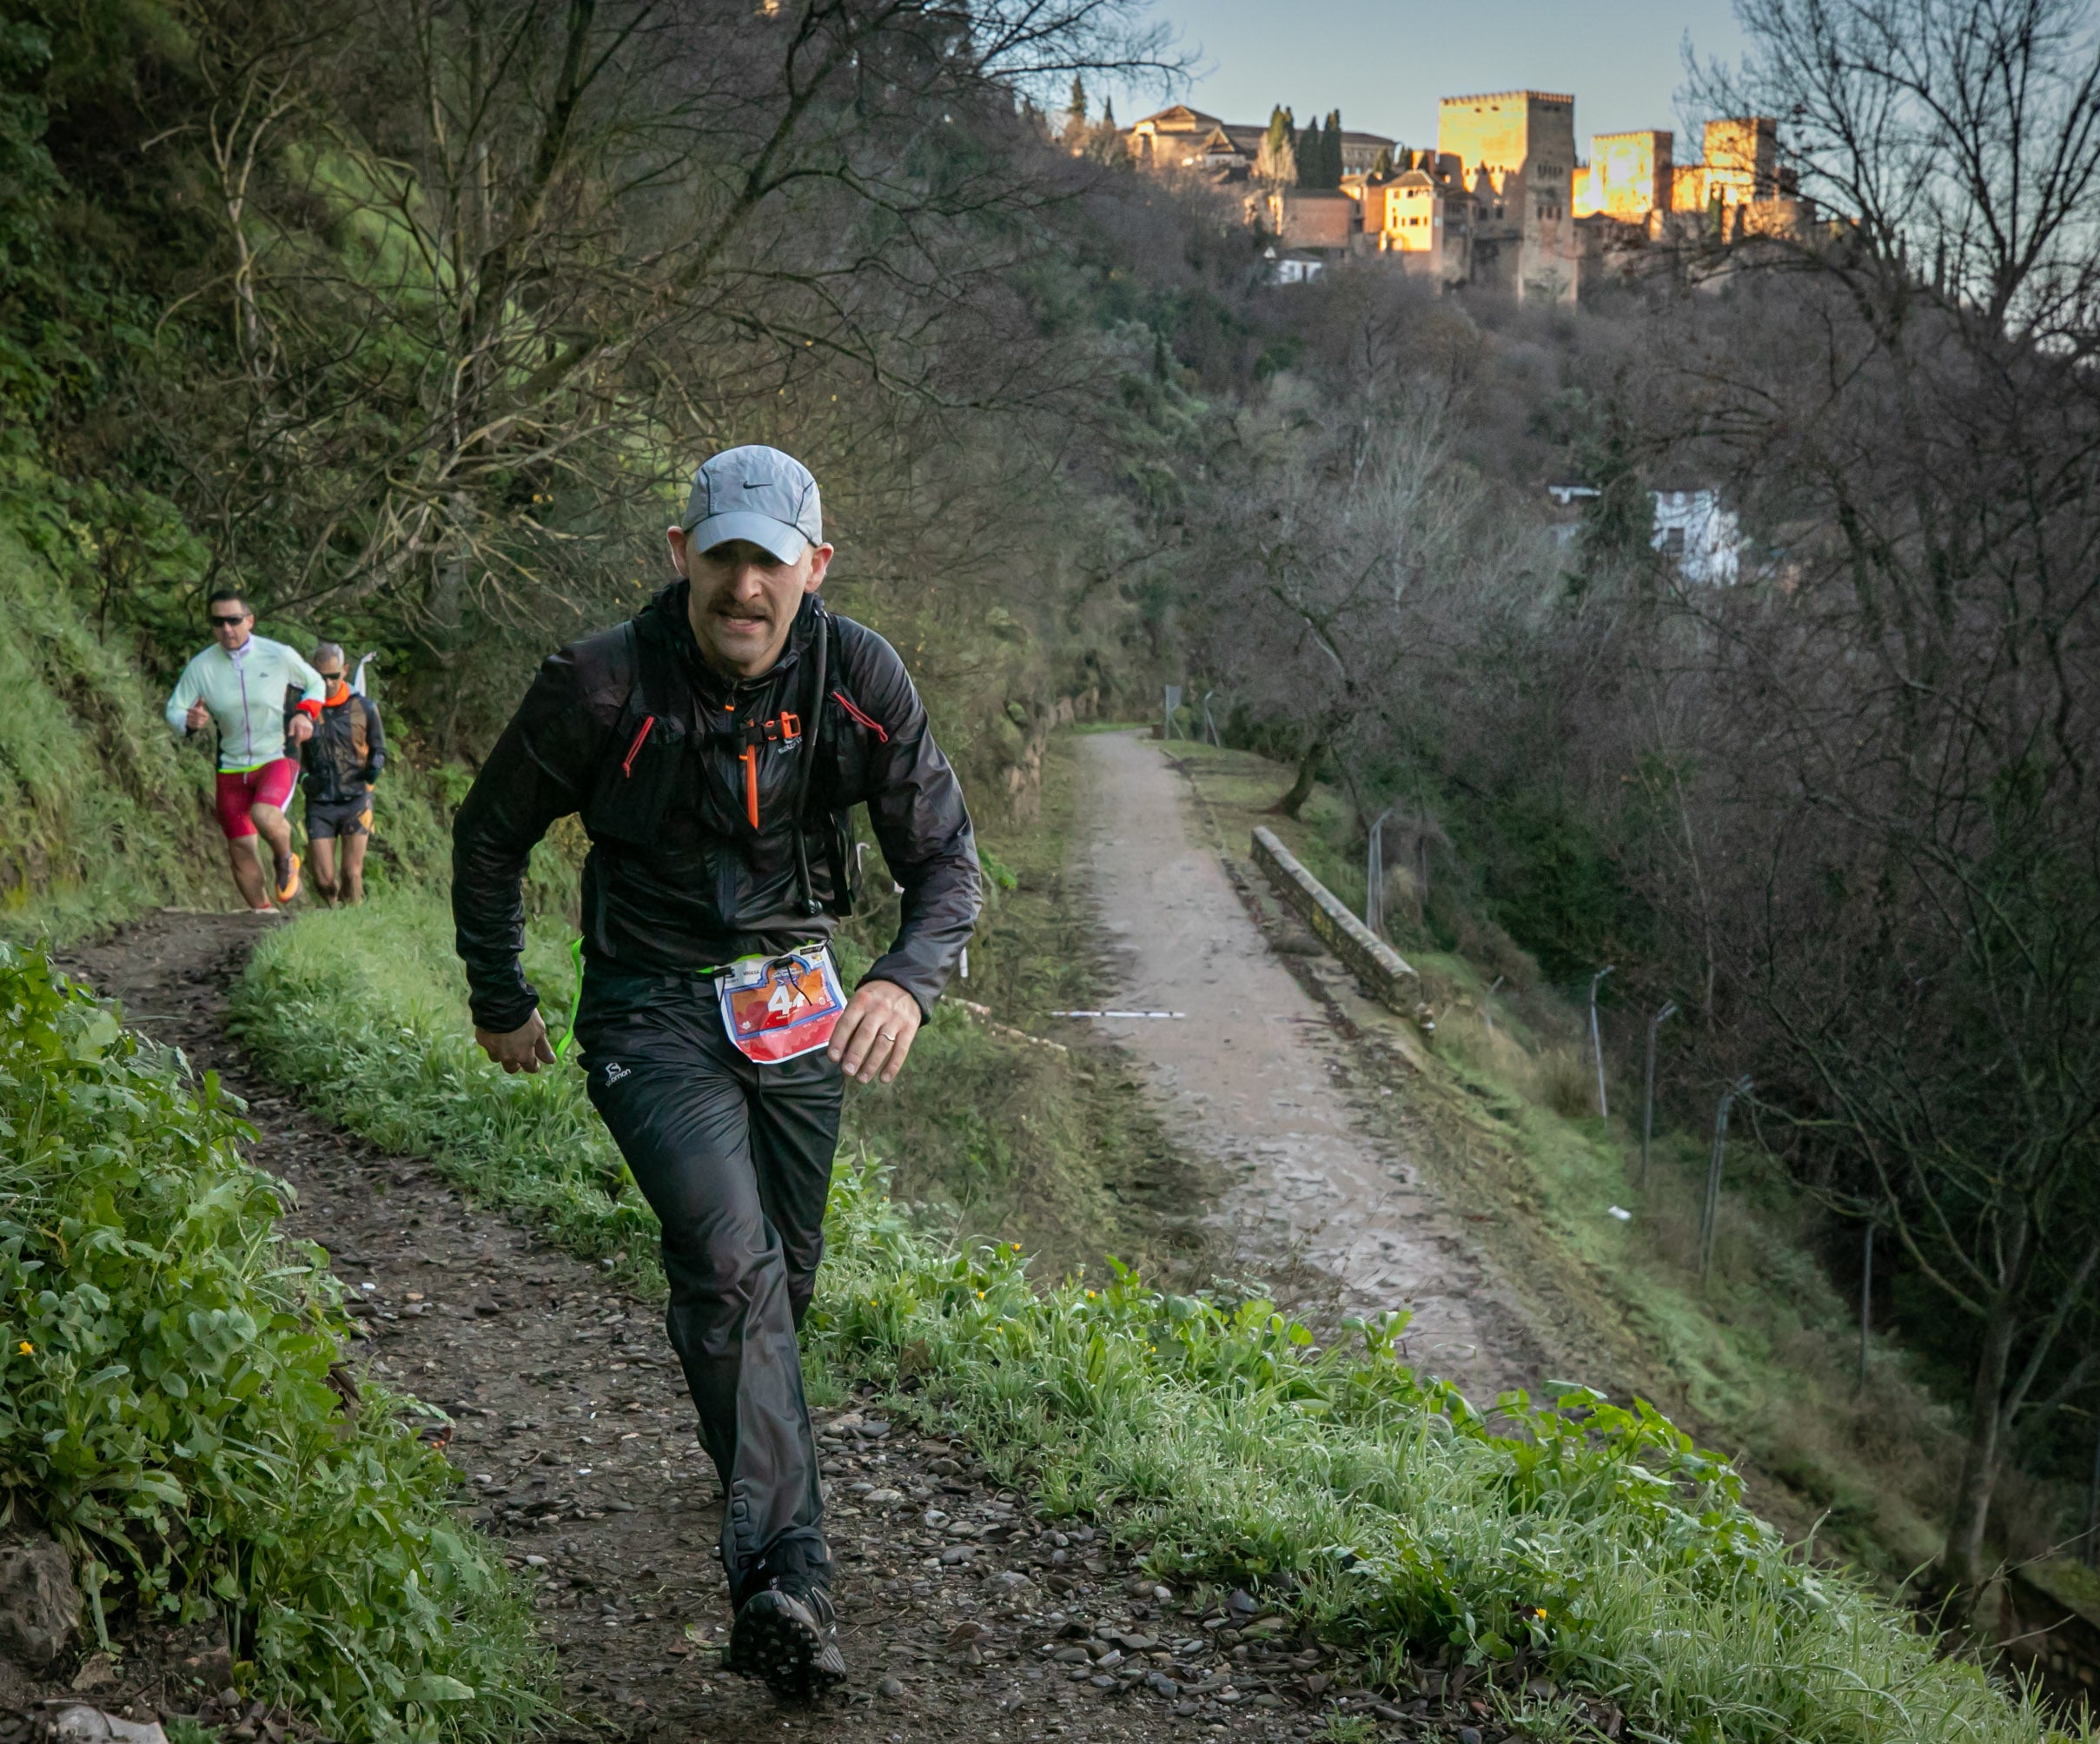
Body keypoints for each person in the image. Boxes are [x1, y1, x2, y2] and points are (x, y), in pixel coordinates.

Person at [451, 445, 979, 1698]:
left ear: (815, 567)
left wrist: (905, 976)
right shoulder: (597, 681)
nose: (747, 586)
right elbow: (488, 833)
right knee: (728, 1262)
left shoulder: (856, 675)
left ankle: (757, 1479)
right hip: (648, 1009)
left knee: (779, 1283)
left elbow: (947, 860)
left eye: (771, 561)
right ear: (681, 552)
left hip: (798, 999)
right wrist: (500, 993)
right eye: (725, 555)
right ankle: (785, 1578)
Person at [165, 587, 324, 911]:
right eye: (218, 622)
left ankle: (285, 859)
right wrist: (189, 721)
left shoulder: (277, 655)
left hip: (277, 756)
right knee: (240, 848)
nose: (226, 629)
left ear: (249, 621)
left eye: (234, 620)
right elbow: (174, 708)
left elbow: (316, 682)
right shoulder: (202, 666)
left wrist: (305, 713)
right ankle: (263, 919)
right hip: (231, 766)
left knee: (264, 815)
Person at [301, 642, 386, 905]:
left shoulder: (365, 707)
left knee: (352, 873)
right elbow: (293, 755)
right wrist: (304, 779)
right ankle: (332, 912)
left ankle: (354, 924)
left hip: (357, 798)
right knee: (325, 880)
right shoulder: (304, 710)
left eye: (333, 676)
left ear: (345, 671)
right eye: (320, 677)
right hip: (320, 802)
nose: (327, 683)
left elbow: (380, 748)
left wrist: (374, 768)